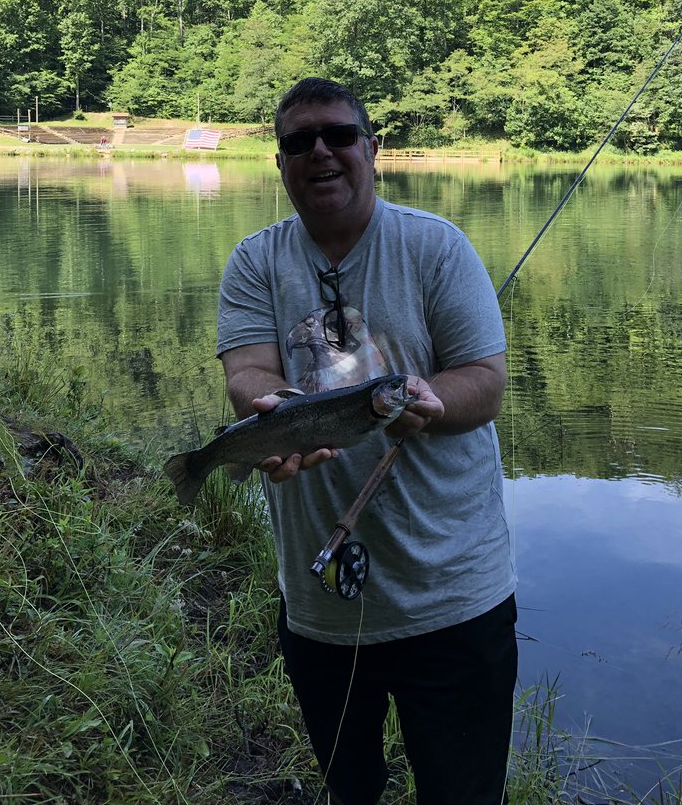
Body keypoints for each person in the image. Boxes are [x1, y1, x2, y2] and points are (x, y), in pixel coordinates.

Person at [216, 77, 516, 805]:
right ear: (280, 163)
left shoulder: (436, 247)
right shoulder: (255, 263)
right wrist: (272, 411)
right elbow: (249, 370)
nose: (320, 151)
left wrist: (433, 400)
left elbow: (487, 378)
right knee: (351, 791)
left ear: (372, 149)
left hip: (453, 598)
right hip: (320, 606)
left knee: (464, 795)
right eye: (298, 142)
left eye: (339, 135)